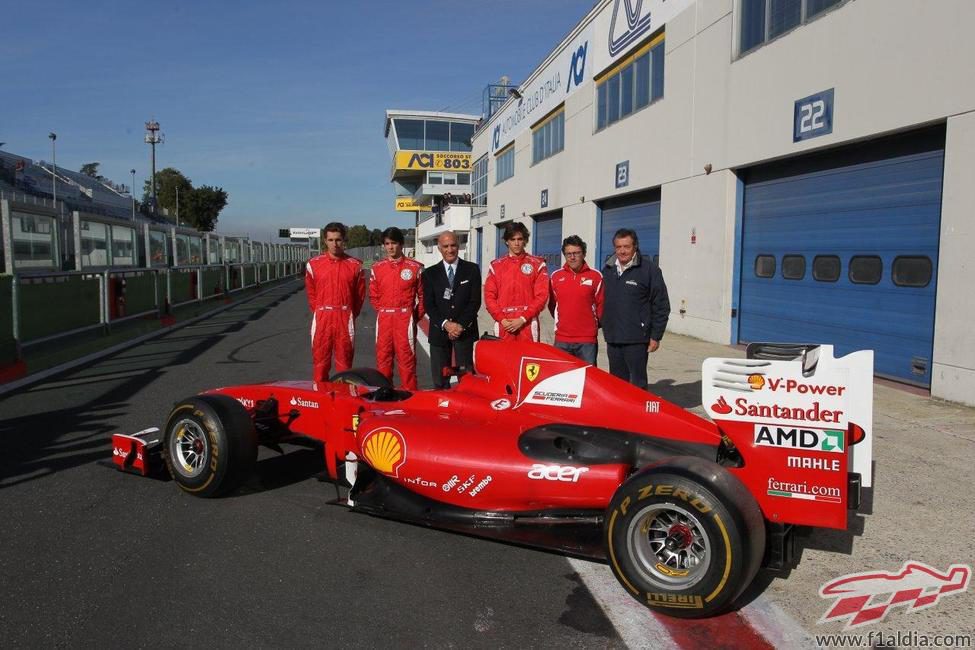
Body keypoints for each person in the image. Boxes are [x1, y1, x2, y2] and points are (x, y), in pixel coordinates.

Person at [601, 228, 670, 390]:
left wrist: (656, 336)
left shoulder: (649, 270)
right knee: (616, 383)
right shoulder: (608, 270)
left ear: (635, 247)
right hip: (613, 338)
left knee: (637, 383)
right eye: (618, 247)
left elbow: (661, 305)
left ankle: (638, 414)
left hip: (637, 339)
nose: (622, 251)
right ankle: (619, 414)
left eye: (627, 246)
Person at [305, 222, 365, 383]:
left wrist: (349, 313)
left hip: (344, 317)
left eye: (338, 240)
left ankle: (343, 401)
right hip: (322, 316)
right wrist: (320, 310)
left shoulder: (356, 265)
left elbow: (359, 296)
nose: (334, 244)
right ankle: (319, 400)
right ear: (325, 240)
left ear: (344, 240)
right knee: (320, 364)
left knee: (344, 365)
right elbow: (311, 294)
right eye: (330, 240)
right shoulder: (313, 264)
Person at [421, 231, 481, 388]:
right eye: (445, 246)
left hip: (465, 332)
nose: (450, 250)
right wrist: (446, 324)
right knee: (440, 380)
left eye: (453, 245)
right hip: (439, 333)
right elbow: (429, 305)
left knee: (467, 379)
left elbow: (475, 302)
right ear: (439, 248)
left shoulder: (472, 270)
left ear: (459, 246)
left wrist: (460, 325)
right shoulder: (429, 274)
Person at [369, 227, 425, 390]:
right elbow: (373, 296)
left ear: (401, 244)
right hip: (385, 318)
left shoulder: (415, 267)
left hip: (405, 318)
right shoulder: (377, 268)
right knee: (383, 360)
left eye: (394, 243)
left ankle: (411, 399)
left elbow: (423, 297)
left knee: (407, 362)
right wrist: (385, 310)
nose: (391, 247)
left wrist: (413, 317)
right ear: (384, 246)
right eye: (387, 244)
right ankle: (385, 395)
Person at [483, 222, 549, 341]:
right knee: (503, 358)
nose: (517, 243)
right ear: (507, 241)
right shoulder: (496, 265)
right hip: (504, 324)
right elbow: (489, 296)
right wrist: (502, 319)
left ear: (525, 240)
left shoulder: (537, 264)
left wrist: (523, 319)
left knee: (529, 359)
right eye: (512, 239)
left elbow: (542, 296)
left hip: (527, 323)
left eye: (520, 239)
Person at [548, 235, 604, 365]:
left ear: (583, 254)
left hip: (587, 341)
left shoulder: (596, 276)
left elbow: (601, 306)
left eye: (576, 253)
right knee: (562, 378)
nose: (572, 257)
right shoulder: (556, 277)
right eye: (568, 254)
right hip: (562, 339)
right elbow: (553, 306)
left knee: (588, 378)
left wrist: (591, 327)